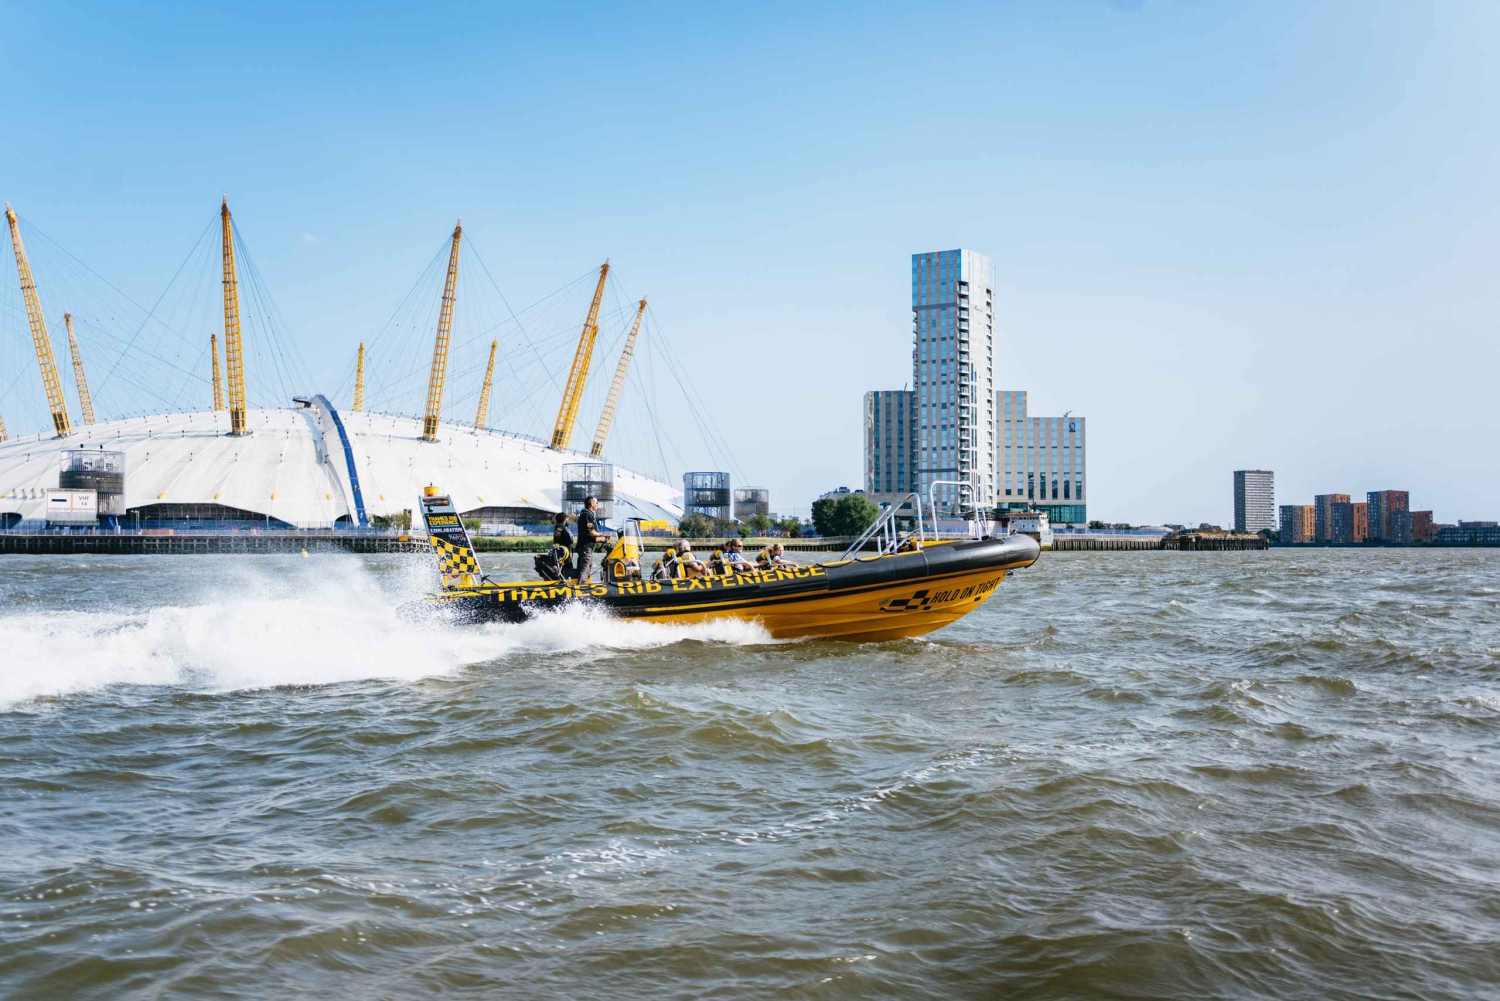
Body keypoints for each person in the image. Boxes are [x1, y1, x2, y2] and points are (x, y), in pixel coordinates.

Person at [574, 496, 604, 584]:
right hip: (585, 547)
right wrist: (603, 534)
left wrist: (603, 539)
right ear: (592, 503)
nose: (597, 504)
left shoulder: (587, 514)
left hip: (586, 546)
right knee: (585, 570)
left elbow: (589, 535)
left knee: (586, 569)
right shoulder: (587, 515)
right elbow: (591, 532)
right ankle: (580, 591)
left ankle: (582, 587)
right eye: (597, 502)